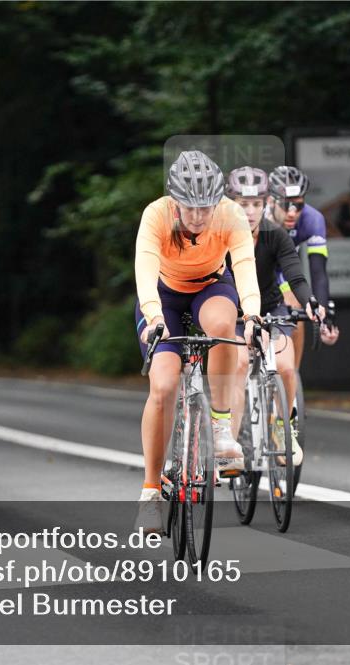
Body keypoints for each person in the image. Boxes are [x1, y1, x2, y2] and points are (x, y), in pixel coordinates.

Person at [133, 151, 261, 533]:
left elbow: (244, 266)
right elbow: (144, 270)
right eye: (190, 208)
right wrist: (153, 316)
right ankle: (151, 490)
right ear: (174, 200)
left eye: (206, 207)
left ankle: (221, 427)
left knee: (225, 327)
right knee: (165, 385)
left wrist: (252, 313)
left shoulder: (230, 215)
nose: (198, 216)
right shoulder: (155, 215)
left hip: (210, 287)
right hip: (164, 297)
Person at [226, 166, 322, 467]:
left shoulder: (276, 234)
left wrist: (311, 303)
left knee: (285, 366)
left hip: (270, 308)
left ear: (265, 203)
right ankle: (228, 444)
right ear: (231, 204)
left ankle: (282, 428)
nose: (251, 212)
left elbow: (295, 275)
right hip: (234, 310)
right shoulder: (220, 235)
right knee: (240, 363)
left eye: (256, 204)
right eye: (243, 204)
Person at [266, 166, 340, 371]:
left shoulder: (313, 219)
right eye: (286, 204)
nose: (292, 213)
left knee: (296, 309)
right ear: (271, 201)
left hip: (285, 271)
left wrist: (324, 317)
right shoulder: (257, 216)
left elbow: (318, 272)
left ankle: (291, 379)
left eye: (298, 206)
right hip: (257, 269)